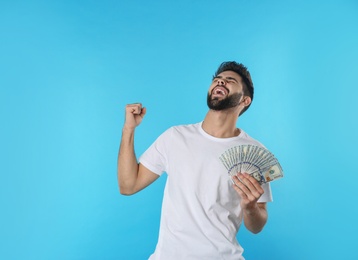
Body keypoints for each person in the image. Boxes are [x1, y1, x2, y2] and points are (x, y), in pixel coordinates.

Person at [117, 61, 273, 260]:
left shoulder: (256, 153)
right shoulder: (175, 137)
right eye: (217, 80)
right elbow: (128, 186)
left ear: (245, 101)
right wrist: (128, 130)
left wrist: (250, 207)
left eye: (229, 81)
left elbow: (257, 226)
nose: (221, 82)